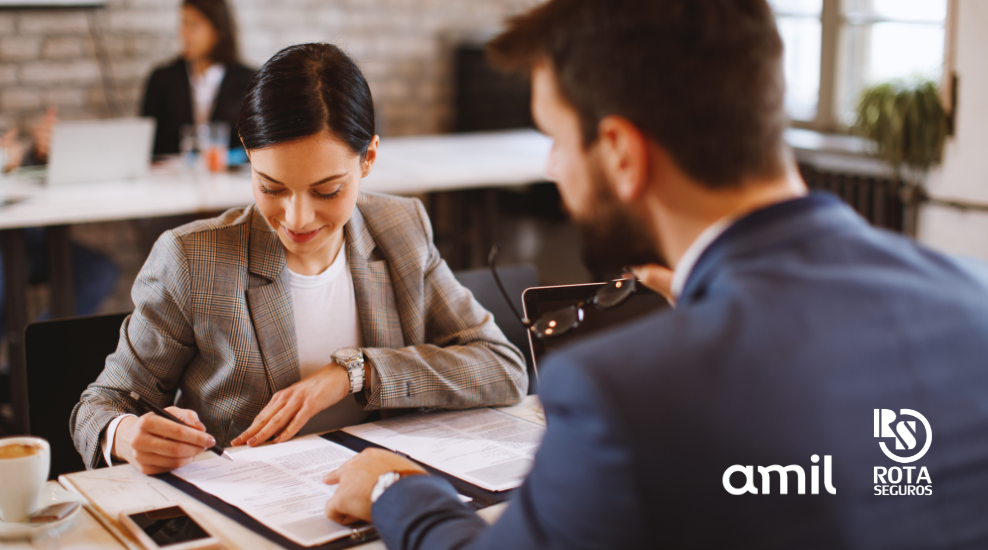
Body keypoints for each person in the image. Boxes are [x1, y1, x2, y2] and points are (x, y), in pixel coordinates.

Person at [321, 1, 988, 548]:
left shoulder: (620, 391)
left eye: (557, 140)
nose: (554, 168)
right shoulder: (975, 300)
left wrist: (394, 490)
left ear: (619, 153)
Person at [71, 43, 528, 475]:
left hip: (377, 494)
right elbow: (100, 406)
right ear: (248, 154)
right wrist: (125, 435)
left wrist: (358, 372)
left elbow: (503, 367)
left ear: (368, 158)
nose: (296, 218)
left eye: (327, 190)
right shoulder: (193, 259)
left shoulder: (401, 228)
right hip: (248, 504)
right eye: (271, 187)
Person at [0, 110, 119, 414]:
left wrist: (34, 154)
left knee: (98, 271)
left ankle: (24, 372)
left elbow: (6, 169)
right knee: (0, 267)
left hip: (14, 231)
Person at [142, 0, 254, 155]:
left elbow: (257, 145)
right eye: (183, 24)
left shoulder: (249, 81)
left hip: (230, 170)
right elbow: (147, 143)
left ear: (218, 31)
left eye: (193, 25)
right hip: (173, 170)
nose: (184, 33)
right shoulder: (162, 79)